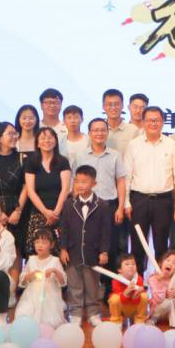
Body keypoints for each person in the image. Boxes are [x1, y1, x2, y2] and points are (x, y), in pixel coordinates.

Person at [124, 105, 175, 273]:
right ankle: (138, 282)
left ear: (163, 122)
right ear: (143, 122)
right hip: (138, 200)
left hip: (163, 200)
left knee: (161, 244)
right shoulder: (133, 145)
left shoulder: (172, 145)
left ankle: (160, 283)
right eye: (149, 120)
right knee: (138, 244)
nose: (153, 123)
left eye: (156, 120)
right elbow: (127, 176)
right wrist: (126, 202)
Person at [59, 166, 112, 326]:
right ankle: (75, 312)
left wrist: (104, 251)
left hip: (92, 252)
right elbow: (64, 228)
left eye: (84, 182)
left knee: (92, 285)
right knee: (74, 284)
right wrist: (63, 249)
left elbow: (106, 231)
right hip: (73, 251)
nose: (80, 185)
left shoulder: (102, 205)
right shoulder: (69, 204)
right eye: (78, 181)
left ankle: (93, 312)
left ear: (94, 183)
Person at [77, 117, 128, 261]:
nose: (99, 133)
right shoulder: (82, 156)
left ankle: (109, 276)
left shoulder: (115, 155)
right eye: (95, 130)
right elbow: (76, 182)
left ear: (107, 132)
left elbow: (121, 181)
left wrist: (120, 207)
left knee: (111, 245)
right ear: (89, 133)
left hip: (109, 205)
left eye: (102, 130)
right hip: (87, 206)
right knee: (88, 243)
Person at [23, 126, 71, 255]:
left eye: (50, 138)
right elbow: (30, 191)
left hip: (60, 213)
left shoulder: (63, 161)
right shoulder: (31, 162)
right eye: (43, 138)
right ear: (37, 143)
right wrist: (45, 212)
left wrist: (55, 213)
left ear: (56, 141)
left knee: (60, 252)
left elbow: (65, 189)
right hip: (38, 214)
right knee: (37, 253)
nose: (47, 141)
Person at [15, 228, 66, 327]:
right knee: (23, 314)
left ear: (51, 245)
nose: (40, 245)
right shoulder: (31, 260)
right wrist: (31, 275)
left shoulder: (55, 261)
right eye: (37, 242)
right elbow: (23, 282)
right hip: (31, 296)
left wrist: (55, 271)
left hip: (49, 297)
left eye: (44, 243)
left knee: (50, 321)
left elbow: (63, 282)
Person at [146, 249, 175, 327]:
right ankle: (153, 319)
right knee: (167, 302)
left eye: (174, 263)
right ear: (161, 263)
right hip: (158, 310)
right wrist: (162, 285)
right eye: (168, 260)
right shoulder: (153, 279)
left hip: (172, 311)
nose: (170, 264)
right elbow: (158, 299)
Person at [108, 254, 148, 325]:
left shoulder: (139, 279)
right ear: (119, 270)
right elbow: (120, 300)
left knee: (144, 296)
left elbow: (137, 300)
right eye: (127, 264)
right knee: (114, 298)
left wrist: (136, 295)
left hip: (134, 306)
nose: (131, 266)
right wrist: (126, 293)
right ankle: (116, 321)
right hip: (122, 308)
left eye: (133, 264)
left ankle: (139, 319)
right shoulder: (116, 280)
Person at [103, 89, 139, 154]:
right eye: (109, 104)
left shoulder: (133, 130)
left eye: (116, 104)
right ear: (103, 106)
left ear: (122, 105)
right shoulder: (98, 130)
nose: (113, 108)